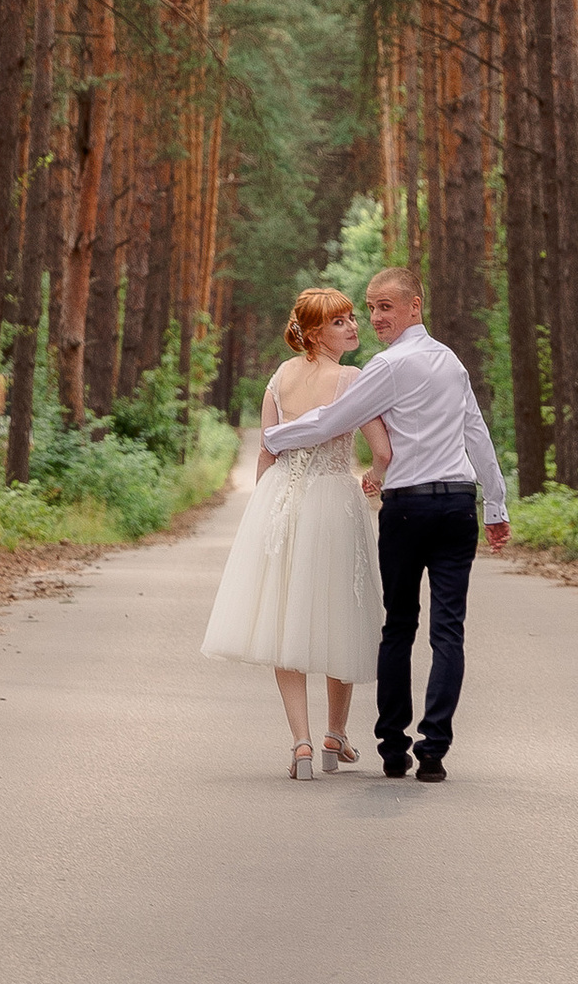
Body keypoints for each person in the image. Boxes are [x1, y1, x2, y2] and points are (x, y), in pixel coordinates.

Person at [260, 265, 509, 782]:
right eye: (370, 308)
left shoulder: (385, 367)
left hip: (410, 506)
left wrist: (276, 440)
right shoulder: (451, 362)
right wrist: (496, 505)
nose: (374, 317)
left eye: (384, 307)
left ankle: (395, 749)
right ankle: (432, 752)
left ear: (414, 306)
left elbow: (332, 421)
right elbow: (476, 433)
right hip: (458, 505)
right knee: (448, 631)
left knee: (399, 627)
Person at [200, 286, 392, 779]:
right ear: (313, 333)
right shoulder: (351, 378)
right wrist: (376, 479)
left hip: (281, 499)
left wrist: (264, 511)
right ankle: (334, 735)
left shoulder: (281, 376)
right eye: (339, 322)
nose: (352, 326)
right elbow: (382, 451)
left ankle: (301, 743)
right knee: (337, 612)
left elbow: (267, 451)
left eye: (352, 318)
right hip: (331, 498)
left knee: (283, 616)